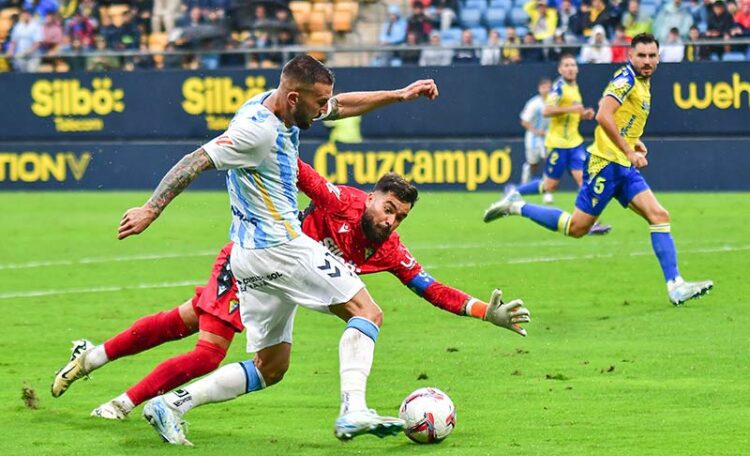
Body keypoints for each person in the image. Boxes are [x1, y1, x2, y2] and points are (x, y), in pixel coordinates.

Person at [111, 55, 467, 446]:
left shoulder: (280, 103)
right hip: (280, 245)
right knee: (367, 312)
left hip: (248, 258)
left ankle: (172, 405)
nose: (323, 111)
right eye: (318, 104)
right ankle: (354, 408)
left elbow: (342, 106)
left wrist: (399, 95)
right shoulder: (255, 131)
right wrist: (151, 209)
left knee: (271, 366)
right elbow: (196, 160)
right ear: (294, 97)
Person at [51, 161, 531, 423]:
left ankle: (90, 357)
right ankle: (125, 405)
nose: (390, 220)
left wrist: (482, 312)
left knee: (255, 358)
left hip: (287, 286)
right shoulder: (341, 200)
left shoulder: (387, 247)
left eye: (400, 216)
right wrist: (264, 139)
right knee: (207, 351)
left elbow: (429, 287)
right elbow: (299, 171)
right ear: (370, 197)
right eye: (387, 208)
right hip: (256, 262)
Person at [483, 34, 713, 306]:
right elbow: (604, 114)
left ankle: (676, 285)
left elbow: (618, 119)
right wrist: (628, 150)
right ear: (630, 56)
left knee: (659, 215)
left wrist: (632, 142)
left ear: (659, 57)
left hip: (622, 166)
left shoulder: (642, 82)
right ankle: (517, 205)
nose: (647, 61)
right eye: (642, 56)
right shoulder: (625, 80)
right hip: (605, 165)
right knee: (577, 227)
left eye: (652, 56)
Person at [506, 53, 611, 234]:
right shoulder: (558, 88)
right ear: (560, 70)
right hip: (558, 145)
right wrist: (572, 109)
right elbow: (547, 110)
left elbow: (570, 113)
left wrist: (583, 114)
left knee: (585, 181)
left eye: (573, 65)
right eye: (566, 66)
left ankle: (591, 223)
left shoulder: (574, 87)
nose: (570, 68)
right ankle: (514, 190)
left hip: (574, 144)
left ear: (577, 68)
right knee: (549, 185)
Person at [516, 78, 551, 188]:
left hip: (548, 137)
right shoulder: (534, 103)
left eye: (548, 87)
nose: (546, 90)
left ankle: (547, 190)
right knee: (533, 164)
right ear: (539, 89)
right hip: (533, 137)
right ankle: (524, 183)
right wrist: (536, 131)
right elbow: (524, 121)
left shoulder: (555, 103)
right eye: (544, 87)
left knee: (549, 161)